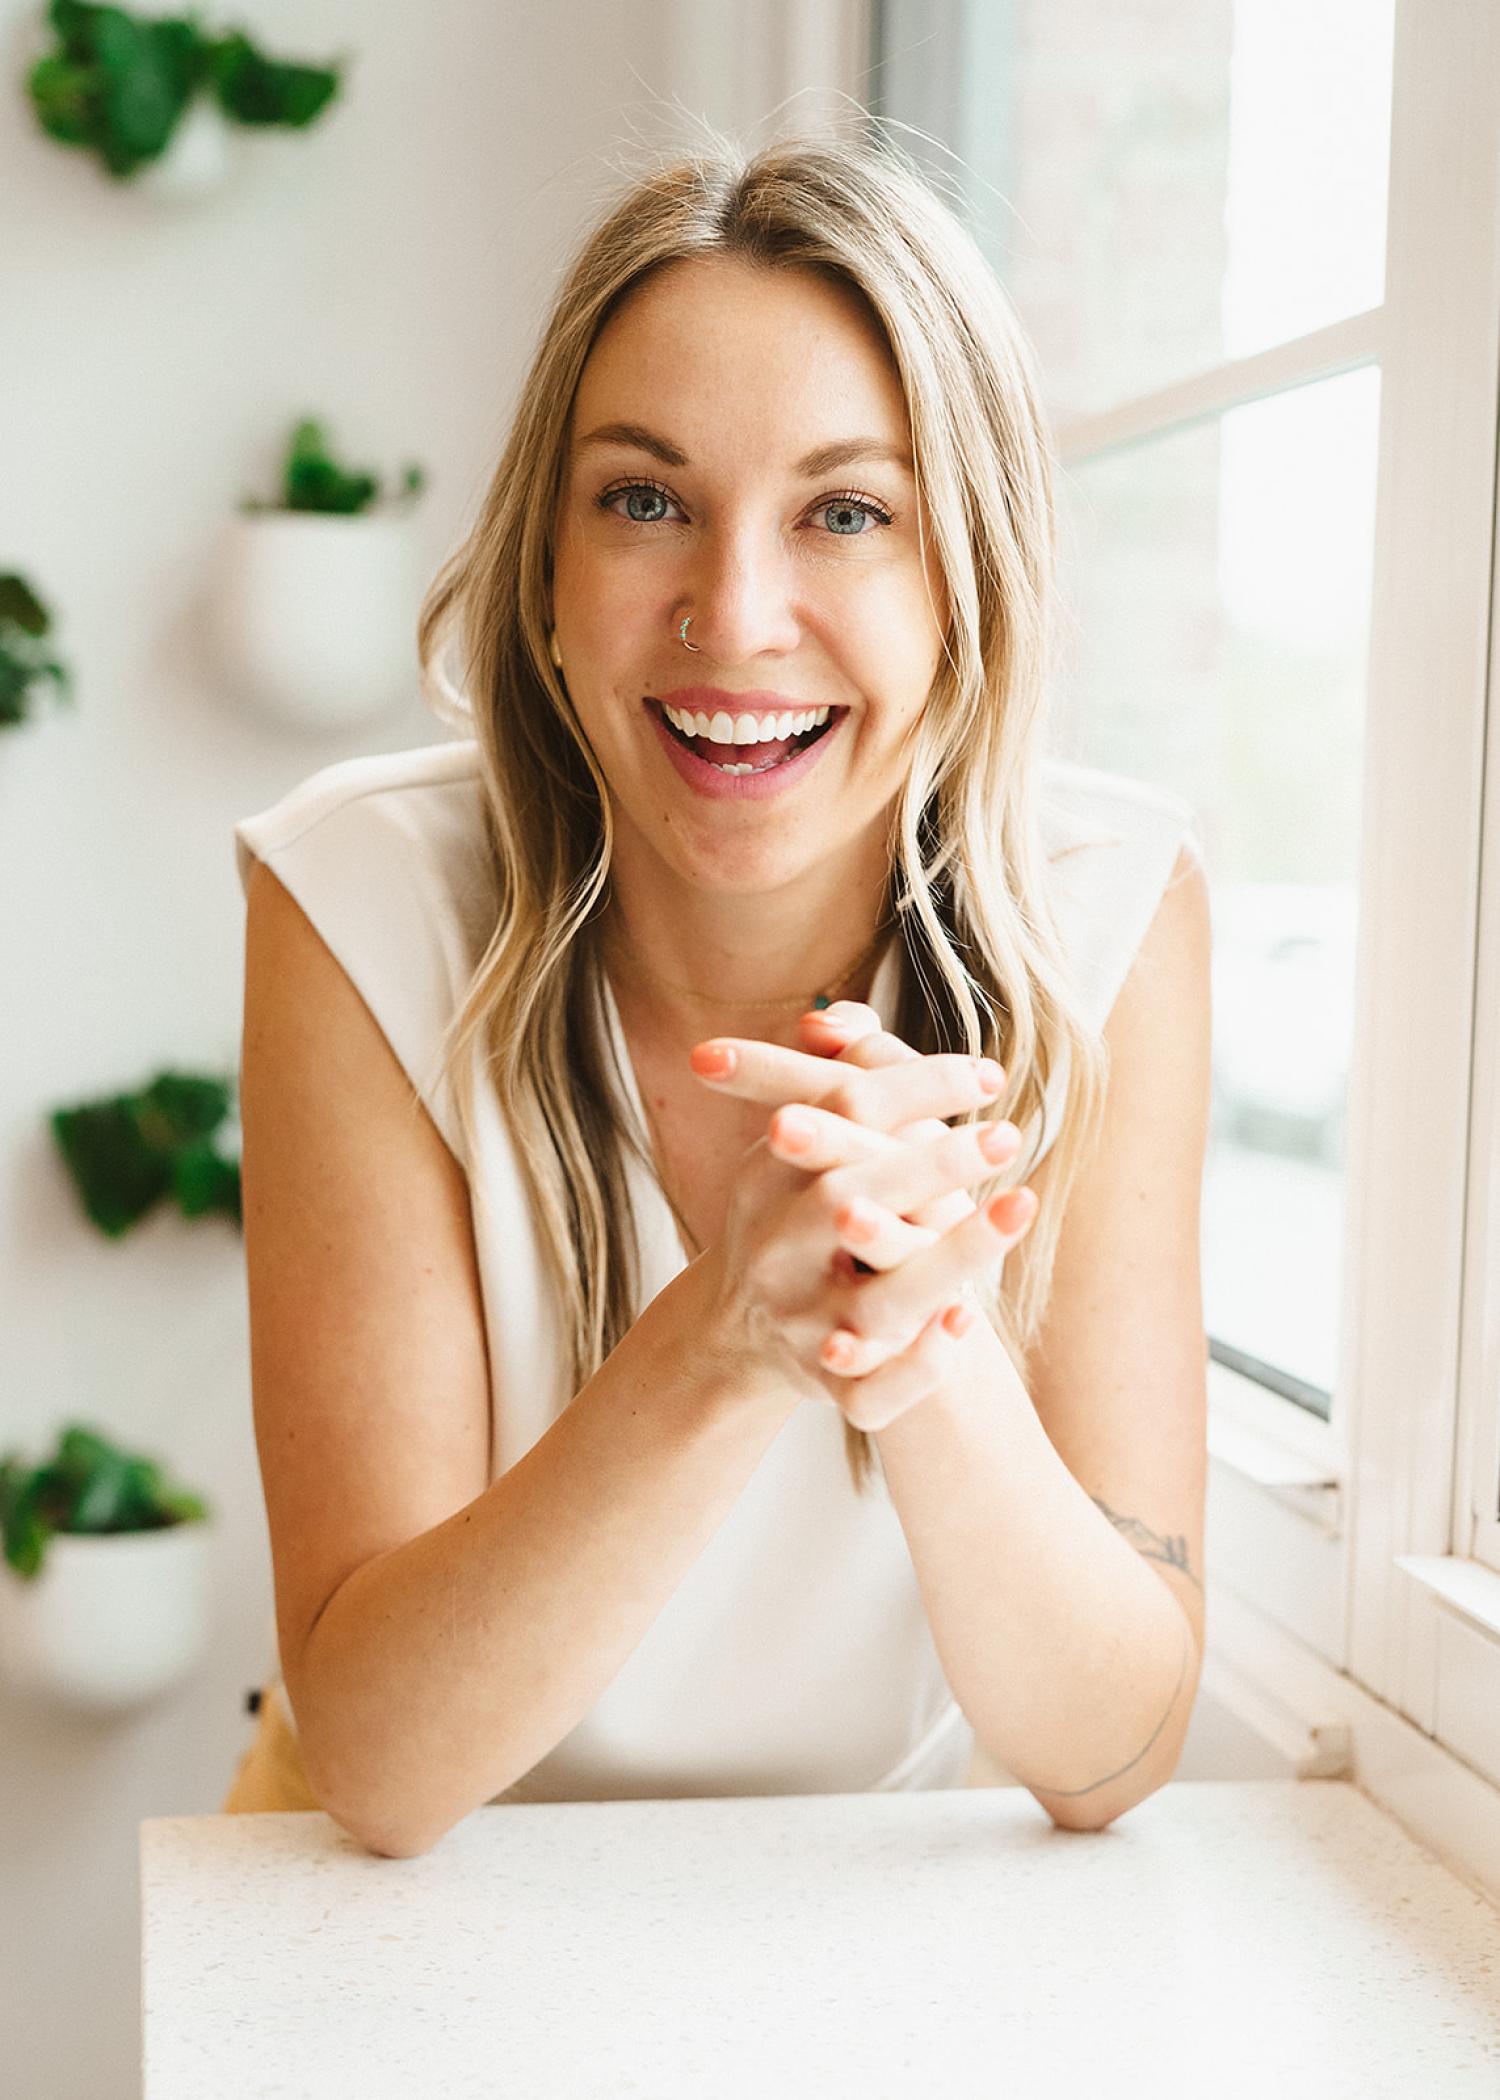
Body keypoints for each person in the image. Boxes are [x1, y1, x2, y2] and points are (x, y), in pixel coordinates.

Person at [222, 127, 1211, 1855]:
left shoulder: (1104, 916)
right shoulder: (363, 897)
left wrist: (917, 1325)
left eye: (848, 512)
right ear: (546, 577)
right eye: (644, 500)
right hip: (396, 1910)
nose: (737, 616)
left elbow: (1110, 1756)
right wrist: (727, 1338)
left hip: (835, 1912)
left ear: (970, 586)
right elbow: (379, 1767)